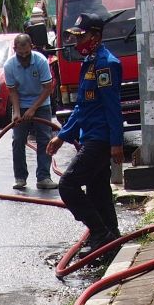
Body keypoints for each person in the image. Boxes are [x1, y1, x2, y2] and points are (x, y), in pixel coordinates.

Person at [47, 13, 125, 261]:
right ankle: (111, 235)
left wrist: (116, 143)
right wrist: (62, 136)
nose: (76, 41)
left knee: (68, 185)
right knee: (97, 188)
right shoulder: (90, 63)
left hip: (100, 139)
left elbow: (113, 107)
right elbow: (82, 107)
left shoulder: (106, 64)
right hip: (90, 135)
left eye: (82, 36)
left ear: (96, 36)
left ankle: (100, 233)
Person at [3, 32, 57, 192]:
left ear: (31, 47)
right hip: (21, 103)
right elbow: (12, 91)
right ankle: (20, 178)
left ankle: (43, 177)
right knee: (18, 140)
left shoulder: (40, 61)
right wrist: (17, 112)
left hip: (41, 104)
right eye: (20, 54)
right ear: (15, 49)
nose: (24, 57)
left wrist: (33, 109)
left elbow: (48, 88)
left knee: (45, 139)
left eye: (27, 53)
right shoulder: (10, 65)